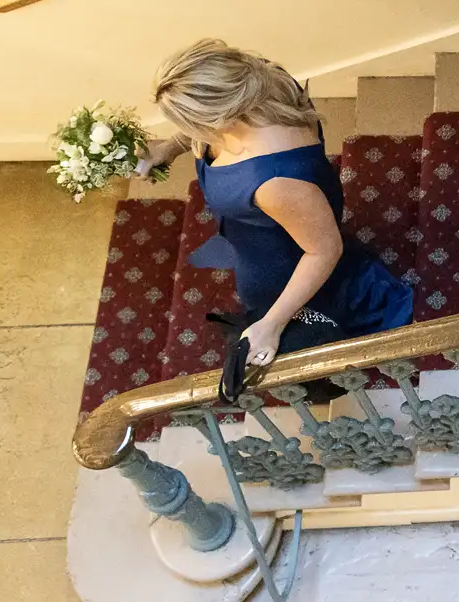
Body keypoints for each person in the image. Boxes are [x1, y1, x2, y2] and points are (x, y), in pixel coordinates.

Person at [138, 39, 413, 370]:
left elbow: (324, 250)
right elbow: (205, 132)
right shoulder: (264, 81)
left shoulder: (272, 180)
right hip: (261, 228)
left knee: (320, 302)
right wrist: (168, 149)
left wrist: (272, 324)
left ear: (218, 116)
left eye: (192, 123)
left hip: (284, 254)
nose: (189, 132)